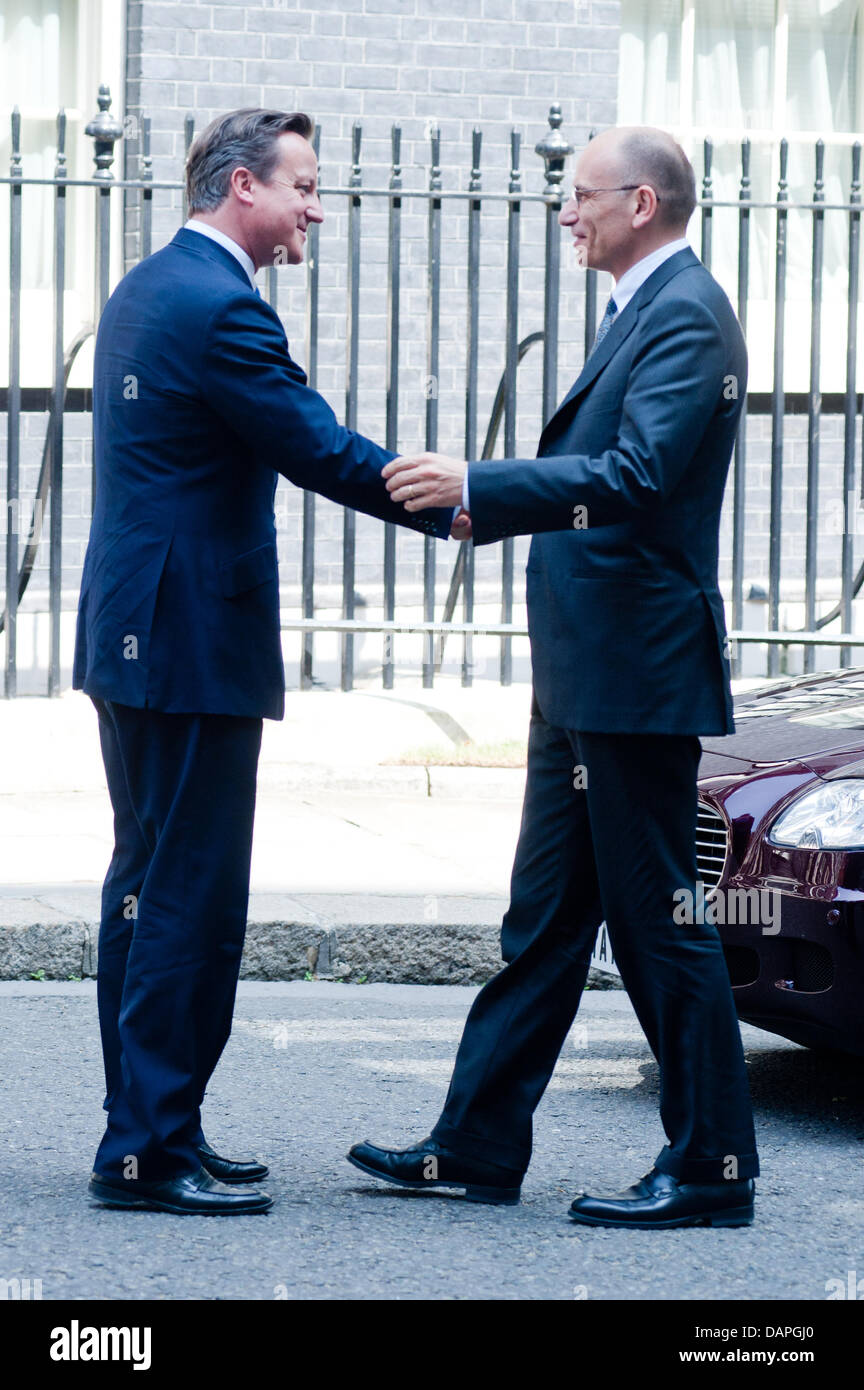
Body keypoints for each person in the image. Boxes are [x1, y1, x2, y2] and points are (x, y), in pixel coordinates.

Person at [348, 125, 760, 1229]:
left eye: (579, 197)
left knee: (658, 919)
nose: (564, 215)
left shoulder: (688, 314)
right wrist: (486, 508)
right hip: (584, 675)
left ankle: (714, 1167)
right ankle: (476, 1148)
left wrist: (483, 479)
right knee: (545, 921)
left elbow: (637, 475)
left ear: (640, 202)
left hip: (635, 675)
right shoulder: (643, 309)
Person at [74, 108, 454, 1216]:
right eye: (304, 186)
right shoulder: (222, 307)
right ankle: (148, 1147)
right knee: (188, 897)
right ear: (243, 186)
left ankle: (152, 1125)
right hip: (190, 636)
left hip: (138, 631)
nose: (316, 209)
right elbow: (315, 446)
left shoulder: (148, 284)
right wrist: (458, 504)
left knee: (145, 887)